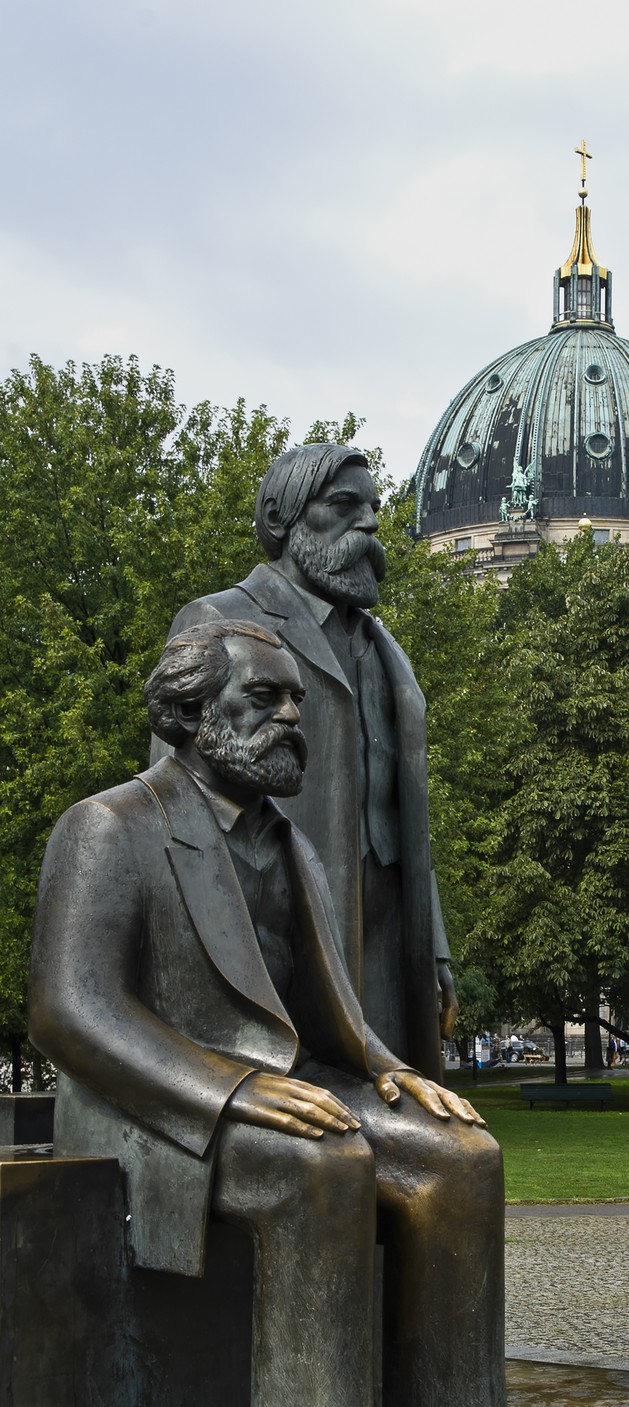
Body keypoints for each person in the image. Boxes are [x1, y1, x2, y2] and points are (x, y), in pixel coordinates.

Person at [29, 621, 564, 1407]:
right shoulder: (108, 826)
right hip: (149, 1103)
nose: (290, 719)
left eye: (296, 703)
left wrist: (391, 1071)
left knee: (459, 1156)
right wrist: (230, 1087)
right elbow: (72, 1011)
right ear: (192, 714)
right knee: (323, 1165)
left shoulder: (289, 844)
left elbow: (325, 1015)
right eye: (263, 700)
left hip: (277, 1087)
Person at [160, 443, 457, 1083]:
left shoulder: (386, 651)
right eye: (345, 506)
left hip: (386, 930)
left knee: (400, 1115)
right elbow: (173, 805)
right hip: (270, 919)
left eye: (375, 508)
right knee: (306, 1123)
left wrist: (431, 946)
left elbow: (409, 821)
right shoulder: (221, 619)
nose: (371, 525)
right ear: (279, 519)